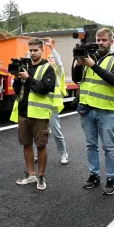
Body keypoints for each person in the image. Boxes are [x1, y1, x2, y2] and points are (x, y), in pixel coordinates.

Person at [72, 28, 114, 195]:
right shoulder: (89, 56)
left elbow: (113, 79)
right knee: (90, 145)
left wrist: (92, 65)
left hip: (105, 110)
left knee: (109, 147)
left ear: (111, 42)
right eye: (98, 40)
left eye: (104, 40)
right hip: (87, 109)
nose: (100, 43)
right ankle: (94, 175)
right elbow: (77, 79)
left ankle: (111, 178)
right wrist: (79, 64)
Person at [11, 37, 56, 191]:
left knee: (41, 145)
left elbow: (44, 88)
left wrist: (28, 78)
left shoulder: (47, 68)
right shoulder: (25, 66)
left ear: (42, 50)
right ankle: (31, 174)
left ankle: (41, 176)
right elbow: (18, 90)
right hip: (23, 113)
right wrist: (17, 79)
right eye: (31, 50)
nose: (33, 53)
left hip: (40, 114)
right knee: (26, 144)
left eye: (35, 50)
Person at [45, 37, 69, 165]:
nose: (50, 59)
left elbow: (59, 63)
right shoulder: (43, 70)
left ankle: (64, 153)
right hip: (42, 105)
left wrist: (51, 48)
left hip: (53, 105)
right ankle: (37, 155)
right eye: (48, 58)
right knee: (37, 132)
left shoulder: (58, 71)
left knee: (56, 132)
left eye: (51, 58)